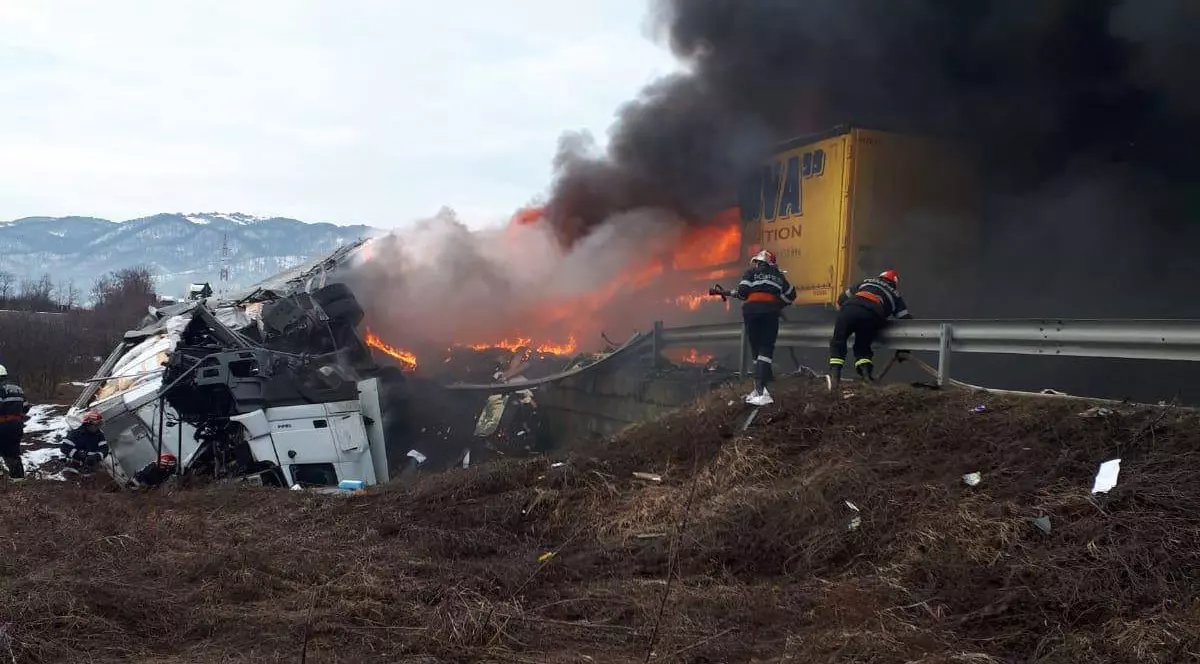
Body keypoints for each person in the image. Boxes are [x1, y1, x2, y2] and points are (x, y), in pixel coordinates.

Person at [829, 269, 913, 387]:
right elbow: (905, 319)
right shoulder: (895, 294)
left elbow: (841, 300)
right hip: (872, 314)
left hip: (850, 308)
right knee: (862, 347)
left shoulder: (865, 282)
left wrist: (842, 317)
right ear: (894, 284)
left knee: (838, 341)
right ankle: (867, 377)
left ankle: (834, 378)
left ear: (880, 277)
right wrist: (905, 347)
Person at [736, 249, 796, 406]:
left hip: (751, 313)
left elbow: (742, 293)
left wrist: (750, 294)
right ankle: (761, 386)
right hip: (769, 312)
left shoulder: (750, 273)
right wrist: (778, 303)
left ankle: (761, 383)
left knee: (756, 347)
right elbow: (791, 295)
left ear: (758, 262)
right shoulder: (779, 276)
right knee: (766, 348)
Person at [0, 365, 30, 481]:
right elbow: (26, 406)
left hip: (2, 425)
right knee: (13, 453)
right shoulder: (17, 389)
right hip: (16, 426)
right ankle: (19, 481)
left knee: (6, 452)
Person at [61, 409, 110, 478]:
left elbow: (104, 449)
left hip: (92, 465)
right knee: (73, 480)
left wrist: (97, 456)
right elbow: (64, 448)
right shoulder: (75, 433)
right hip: (75, 464)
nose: (97, 428)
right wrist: (78, 454)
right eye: (96, 425)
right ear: (88, 424)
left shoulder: (99, 434)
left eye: (99, 425)